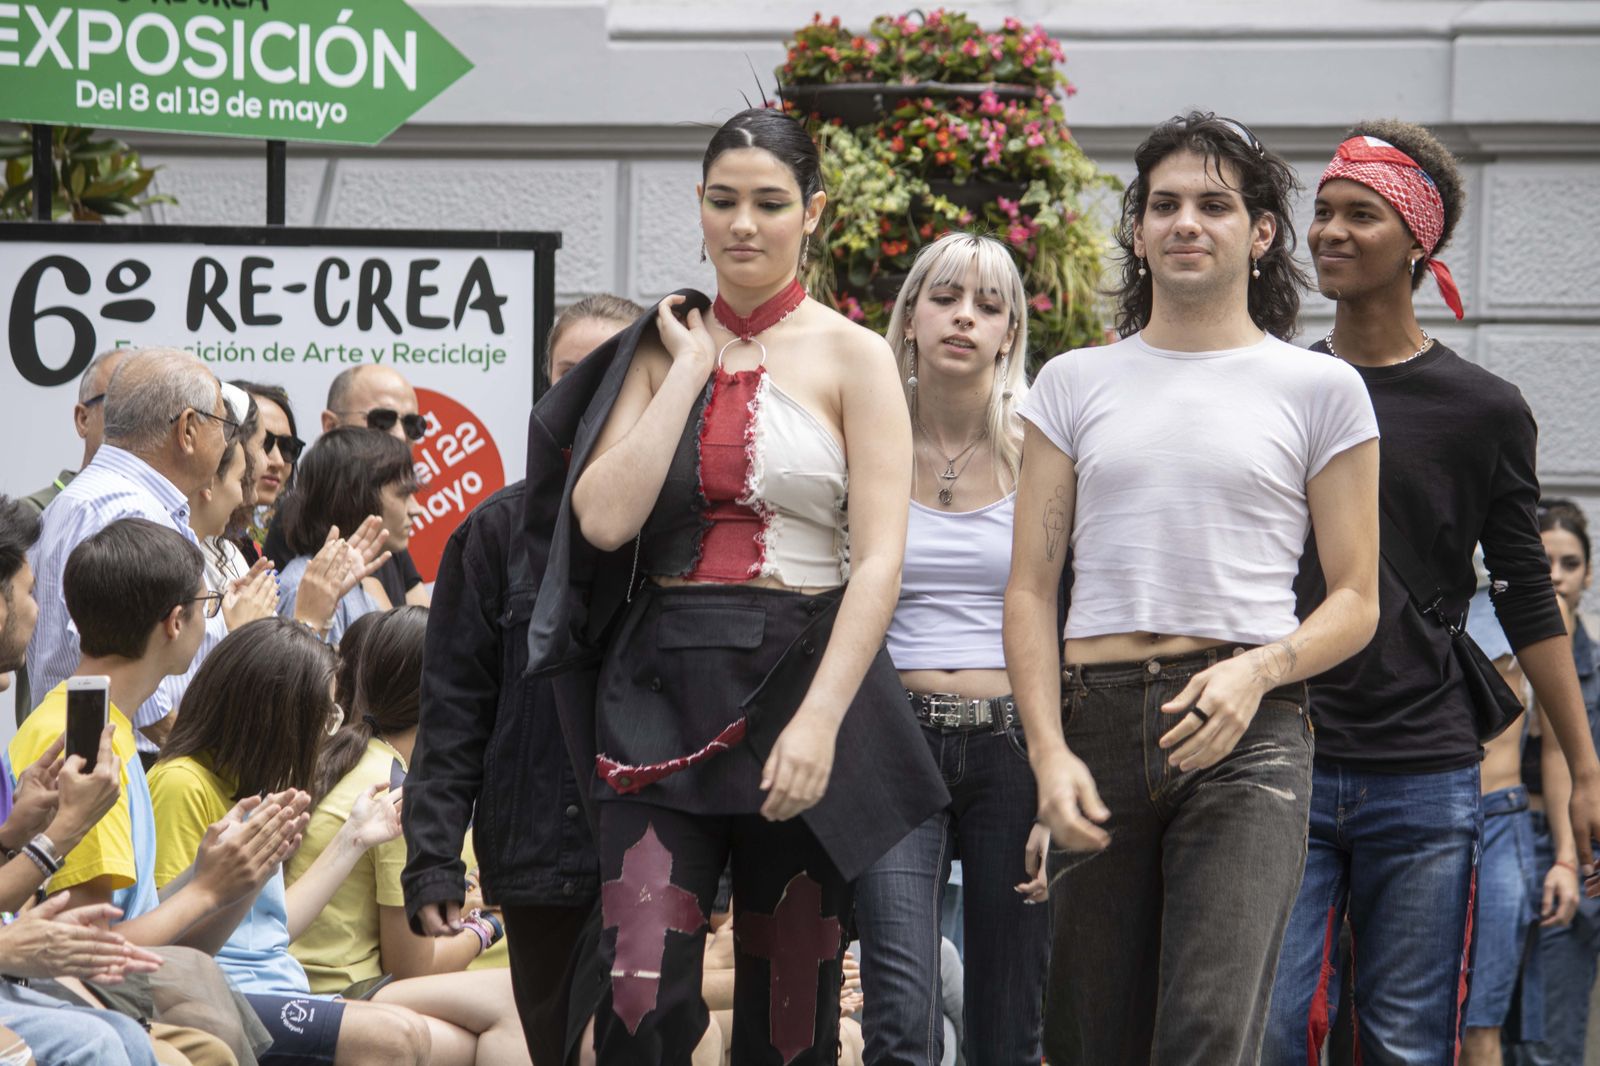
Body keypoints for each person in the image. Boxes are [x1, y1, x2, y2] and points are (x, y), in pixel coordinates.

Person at [524, 107, 947, 1063]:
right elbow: (603, 520)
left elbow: (881, 560)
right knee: (637, 993)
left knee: (792, 1010)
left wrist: (822, 721)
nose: (743, 224)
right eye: (723, 201)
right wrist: (688, 369)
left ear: (814, 213)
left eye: (770, 203)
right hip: (658, 690)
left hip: (797, 682)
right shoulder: (657, 347)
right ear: (699, 207)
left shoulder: (857, 356)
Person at [1003, 111, 1382, 1065]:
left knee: (1208, 1031)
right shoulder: (1073, 382)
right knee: (1089, 1039)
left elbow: (1356, 600)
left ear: (1260, 233)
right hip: (1094, 720)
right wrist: (1047, 755)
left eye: (1214, 205)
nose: (1186, 222)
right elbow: (1031, 590)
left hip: (1247, 726)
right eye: (1164, 205)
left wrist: (1258, 671)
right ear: (1137, 232)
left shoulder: (1319, 389)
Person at [1263, 120, 1600, 1065]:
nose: (1329, 231)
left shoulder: (1483, 409)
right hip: (1284, 753)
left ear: (1418, 240)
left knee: (1407, 1043)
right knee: (1271, 1029)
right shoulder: (1279, 385)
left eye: (1360, 214)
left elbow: (1526, 594)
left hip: (1425, 766)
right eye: (1323, 211)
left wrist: (1583, 767)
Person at [403, 293, 640, 1065]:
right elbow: (452, 712)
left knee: (627, 1041)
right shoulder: (492, 534)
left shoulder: (683, 534)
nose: (588, 389)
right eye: (572, 372)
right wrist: (434, 858)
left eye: (610, 369)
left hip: (657, 848)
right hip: (537, 852)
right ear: (546, 386)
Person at [853, 232, 1050, 1066]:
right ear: (909, 317)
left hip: (1013, 742)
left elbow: (1067, 613)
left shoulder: (1041, 445)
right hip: (893, 738)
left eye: (988, 305)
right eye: (944, 298)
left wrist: (1059, 773)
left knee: (1009, 1028)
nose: (964, 317)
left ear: (1009, 334)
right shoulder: (863, 436)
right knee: (901, 1017)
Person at [9, 517, 301, 1066]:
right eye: (207, 604)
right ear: (175, 622)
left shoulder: (107, 729)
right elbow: (93, 954)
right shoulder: (83, 742)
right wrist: (207, 889)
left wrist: (228, 874)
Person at [149, 618, 433, 1066]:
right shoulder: (183, 784)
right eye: (324, 715)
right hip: (223, 997)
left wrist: (354, 838)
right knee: (397, 1036)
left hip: (276, 986)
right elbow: (174, 951)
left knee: (421, 1031)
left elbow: (269, 931)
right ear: (279, 716)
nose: (329, 731)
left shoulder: (248, 788)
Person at [282, 607, 529, 1065]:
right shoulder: (397, 796)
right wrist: (492, 922)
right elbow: (413, 970)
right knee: (520, 1002)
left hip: (313, 986)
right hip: (340, 995)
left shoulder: (341, 755)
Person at [24, 348, 272, 754]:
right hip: (113, 756)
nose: (229, 441)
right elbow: (112, 659)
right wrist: (184, 751)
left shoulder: (95, 498)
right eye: (224, 425)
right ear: (188, 430)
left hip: (91, 752)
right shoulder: (128, 510)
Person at [1514, 500, 1600, 1065]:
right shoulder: (1495, 655)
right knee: (1482, 1034)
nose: (1556, 576)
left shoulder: (1596, 670)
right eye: (1543, 561)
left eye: (1570, 564)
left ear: (1587, 576)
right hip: (1500, 839)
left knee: (1548, 1043)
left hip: (1569, 854)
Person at [261, 365, 429, 608]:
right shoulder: (301, 522)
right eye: (382, 421)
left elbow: (422, 618)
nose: (401, 436)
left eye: (413, 425)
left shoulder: (386, 528)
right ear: (331, 425)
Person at [274, 427, 419, 643]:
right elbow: (300, 664)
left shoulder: (357, 591)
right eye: (403, 494)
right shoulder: (305, 588)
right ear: (358, 498)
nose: (416, 509)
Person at [20, 348, 134, 517]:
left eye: (147, 407)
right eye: (121, 404)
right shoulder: (33, 517)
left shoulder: (168, 515)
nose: (137, 420)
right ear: (83, 419)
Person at [226, 382, 302, 565]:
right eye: (264, 443)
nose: (278, 461)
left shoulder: (253, 550)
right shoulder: (190, 538)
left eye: (287, 447)